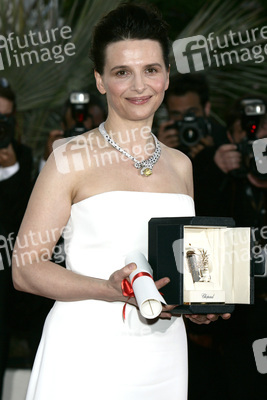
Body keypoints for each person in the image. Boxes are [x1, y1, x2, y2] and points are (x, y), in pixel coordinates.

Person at [12, 4, 230, 400]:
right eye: (121, 72)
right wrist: (110, 289)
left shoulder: (181, 165)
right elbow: (25, 269)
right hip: (86, 348)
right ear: (99, 80)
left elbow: (182, 263)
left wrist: (195, 303)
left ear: (166, 75)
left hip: (164, 352)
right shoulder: (68, 158)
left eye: (151, 69)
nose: (139, 86)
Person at [157, 73, 230, 217]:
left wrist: (210, 160)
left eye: (192, 112)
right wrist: (159, 153)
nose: (186, 121)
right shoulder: (163, 144)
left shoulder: (223, 139)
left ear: (206, 108)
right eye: (177, 114)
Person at [0, 78, 33, 399]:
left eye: (5, 119)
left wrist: (9, 172)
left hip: (13, 283)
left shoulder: (23, 157)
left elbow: (23, 220)